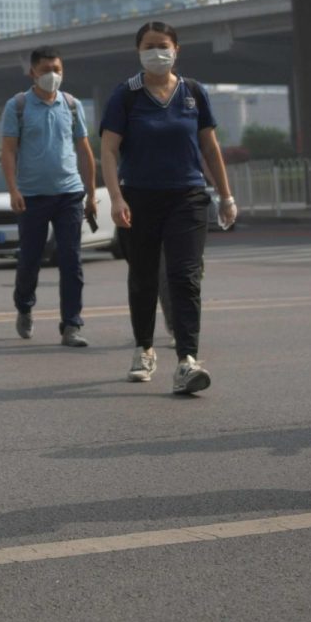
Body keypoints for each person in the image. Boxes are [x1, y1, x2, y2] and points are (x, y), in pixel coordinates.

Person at [100, 22, 237, 395]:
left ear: (177, 49)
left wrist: (226, 196)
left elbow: (209, 147)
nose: (157, 52)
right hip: (139, 198)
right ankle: (143, 348)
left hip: (188, 197)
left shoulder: (193, 92)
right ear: (138, 51)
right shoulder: (125, 95)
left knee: (185, 277)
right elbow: (109, 150)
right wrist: (115, 197)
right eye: (149, 46)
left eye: (163, 45)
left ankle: (187, 359)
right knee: (143, 277)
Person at [3, 47, 100, 348]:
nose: (51, 75)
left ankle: (71, 324)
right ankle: (24, 305)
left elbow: (85, 151)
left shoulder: (71, 105)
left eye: (56, 69)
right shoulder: (17, 105)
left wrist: (91, 194)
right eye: (45, 70)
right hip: (31, 196)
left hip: (69, 194)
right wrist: (13, 190)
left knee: (72, 260)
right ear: (32, 72)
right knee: (30, 259)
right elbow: (8, 151)